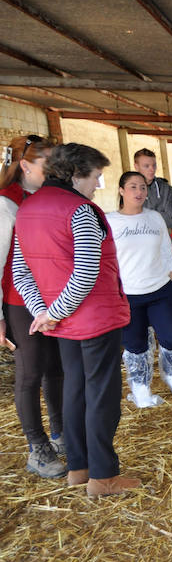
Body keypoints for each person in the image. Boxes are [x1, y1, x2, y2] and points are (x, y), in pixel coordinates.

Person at [13, 143, 139, 496]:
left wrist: (44, 312)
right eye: (96, 176)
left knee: (75, 391)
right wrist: (52, 313)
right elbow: (85, 273)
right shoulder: (80, 210)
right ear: (76, 174)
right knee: (102, 397)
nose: (98, 184)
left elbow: (21, 272)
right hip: (95, 317)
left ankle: (78, 468)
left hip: (63, 323)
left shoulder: (27, 208)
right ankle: (103, 476)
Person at [0, 135, 66, 479]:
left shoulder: (44, 197)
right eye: (47, 163)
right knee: (29, 372)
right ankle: (37, 446)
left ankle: (60, 433)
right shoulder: (6, 203)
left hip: (51, 297)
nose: (54, 170)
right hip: (19, 301)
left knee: (56, 367)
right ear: (25, 166)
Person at [107, 171, 172, 408]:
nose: (139, 192)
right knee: (135, 343)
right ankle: (140, 385)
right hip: (129, 293)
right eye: (133, 187)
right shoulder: (110, 221)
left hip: (160, 289)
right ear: (121, 191)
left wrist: (171, 276)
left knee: (171, 336)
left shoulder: (154, 217)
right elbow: (105, 258)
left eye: (143, 187)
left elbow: (166, 248)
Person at [134, 148, 172, 230]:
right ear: (136, 167)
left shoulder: (165, 188)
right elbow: (131, 218)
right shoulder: (129, 189)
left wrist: (145, 216)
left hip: (162, 236)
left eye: (154, 165)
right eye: (146, 166)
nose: (152, 169)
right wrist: (160, 214)